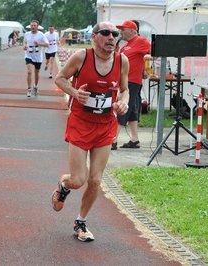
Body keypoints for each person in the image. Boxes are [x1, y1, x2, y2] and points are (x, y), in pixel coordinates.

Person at [52, 21, 130, 242]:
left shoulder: (121, 60)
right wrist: (75, 93)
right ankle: (64, 185)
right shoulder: (81, 57)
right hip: (80, 122)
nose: (111, 37)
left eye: (115, 34)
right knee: (78, 180)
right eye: (105, 33)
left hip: (105, 125)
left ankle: (81, 222)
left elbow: (124, 91)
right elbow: (60, 78)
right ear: (94, 36)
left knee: (95, 180)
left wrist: (122, 103)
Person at [111, 20, 150, 150]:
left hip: (132, 81)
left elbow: (152, 52)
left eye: (123, 29)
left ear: (132, 30)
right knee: (132, 109)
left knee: (123, 106)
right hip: (126, 79)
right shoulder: (126, 45)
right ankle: (135, 139)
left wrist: (147, 63)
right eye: (120, 29)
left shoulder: (140, 41)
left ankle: (113, 140)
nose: (121, 32)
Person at [23, 20, 49, 97]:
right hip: (28, 55)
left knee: (36, 73)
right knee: (29, 71)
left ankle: (36, 86)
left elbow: (47, 45)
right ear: (30, 26)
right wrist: (24, 46)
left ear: (37, 27)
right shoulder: (27, 34)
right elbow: (25, 42)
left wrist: (39, 43)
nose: (33, 27)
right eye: (32, 25)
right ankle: (29, 89)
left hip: (38, 57)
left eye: (34, 26)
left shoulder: (41, 35)